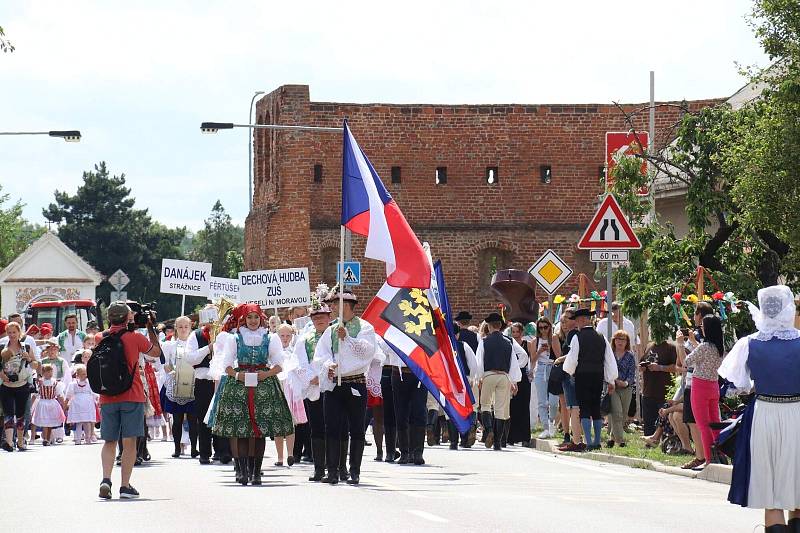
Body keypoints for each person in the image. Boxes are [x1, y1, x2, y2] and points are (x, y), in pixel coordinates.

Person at [719, 285, 800, 532]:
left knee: (772, 493)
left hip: (764, 414)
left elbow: (738, 384)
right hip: (797, 412)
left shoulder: (749, 343)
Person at [210, 303, 294, 486]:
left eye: (256, 317)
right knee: (241, 430)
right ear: (244, 319)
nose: (253, 321)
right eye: (249, 317)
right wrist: (238, 375)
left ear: (261, 318)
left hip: (263, 385)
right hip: (239, 385)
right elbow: (226, 365)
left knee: (259, 432)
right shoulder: (236, 338)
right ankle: (243, 471)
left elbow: (279, 364)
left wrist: (266, 374)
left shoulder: (270, 338)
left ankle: (256, 472)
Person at [313, 289, 380, 485]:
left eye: (336, 304)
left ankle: (354, 471)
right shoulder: (330, 330)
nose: (332, 308)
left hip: (355, 383)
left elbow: (367, 352)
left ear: (347, 306)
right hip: (335, 385)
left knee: (357, 428)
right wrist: (328, 366)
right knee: (332, 427)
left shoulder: (365, 327)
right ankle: (332, 470)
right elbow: (321, 353)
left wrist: (348, 338)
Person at [98, 301, 162, 500]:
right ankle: (125, 486)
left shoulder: (100, 337)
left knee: (109, 441)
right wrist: (150, 327)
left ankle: (106, 479)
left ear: (109, 318)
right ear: (128, 317)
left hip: (107, 395)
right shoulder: (135, 338)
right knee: (129, 442)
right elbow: (156, 353)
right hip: (132, 394)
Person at [563, 308, 618, 451]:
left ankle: (588, 441)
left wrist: (570, 372)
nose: (576, 323)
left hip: (582, 376)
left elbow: (572, 360)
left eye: (577, 320)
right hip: (598, 376)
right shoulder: (602, 337)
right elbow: (609, 360)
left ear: (582, 320)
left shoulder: (577, 337)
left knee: (584, 408)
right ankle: (597, 441)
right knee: (595, 407)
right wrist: (611, 379)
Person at [475, 312, 528, 450]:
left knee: (485, 405)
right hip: (504, 376)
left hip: (488, 375)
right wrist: (514, 380)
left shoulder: (484, 341)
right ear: (500, 326)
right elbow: (518, 359)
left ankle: (489, 430)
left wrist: (479, 377)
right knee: (501, 410)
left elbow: (479, 361)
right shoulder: (509, 341)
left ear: (489, 326)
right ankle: (498, 442)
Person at [682, 314, 724, 468]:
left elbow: (686, 362)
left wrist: (681, 345)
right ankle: (719, 455)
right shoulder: (719, 347)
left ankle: (708, 460)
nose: (701, 328)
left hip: (700, 386)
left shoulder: (704, 347)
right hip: (714, 386)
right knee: (715, 423)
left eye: (702, 326)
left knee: (703, 425)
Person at [296, 301, 332, 481]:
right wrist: (313, 377)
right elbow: (300, 362)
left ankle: (336, 467)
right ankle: (319, 468)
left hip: (333, 386)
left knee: (335, 427)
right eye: (315, 317)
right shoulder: (305, 339)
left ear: (329, 317)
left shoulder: (336, 335)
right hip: (313, 387)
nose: (319, 320)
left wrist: (324, 376)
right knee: (316, 427)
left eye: (322, 317)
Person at [160, 316, 198, 459]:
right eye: (180, 326)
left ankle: (194, 447)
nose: (183, 329)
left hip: (192, 384)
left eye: (186, 326)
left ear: (190, 328)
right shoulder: (170, 345)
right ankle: (177, 448)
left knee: (194, 419)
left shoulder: (194, 344)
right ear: (176, 327)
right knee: (177, 419)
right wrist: (171, 370)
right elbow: (165, 365)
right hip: (176, 384)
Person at [1, 321, 38, 451]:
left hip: (22, 385)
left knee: (21, 414)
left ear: (19, 333)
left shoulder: (26, 347)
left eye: (14, 332)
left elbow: (35, 365)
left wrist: (29, 358)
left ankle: (21, 441)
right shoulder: (2, 348)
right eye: (9, 332)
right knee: (8, 414)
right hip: (6, 385)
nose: (12, 335)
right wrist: (2, 375)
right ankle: (10, 442)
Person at [640, 335, 678, 438]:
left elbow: (676, 367)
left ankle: (664, 441)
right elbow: (642, 361)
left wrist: (660, 367)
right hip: (648, 390)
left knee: (663, 420)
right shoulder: (649, 346)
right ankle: (648, 441)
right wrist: (642, 367)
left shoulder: (671, 348)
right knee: (648, 422)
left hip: (664, 392)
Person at [531, 317, 562, 439]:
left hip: (552, 367)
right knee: (542, 401)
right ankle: (545, 427)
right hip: (540, 370)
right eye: (540, 328)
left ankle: (552, 422)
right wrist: (539, 351)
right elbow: (532, 360)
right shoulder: (535, 341)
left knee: (554, 402)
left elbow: (559, 356)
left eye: (545, 327)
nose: (543, 330)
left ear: (550, 327)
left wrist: (551, 348)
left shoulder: (554, 338)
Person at [274, 323, 300, 467]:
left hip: (290, 388)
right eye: (282, 335)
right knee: (277, 422)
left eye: (287, 335)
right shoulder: (273, 351)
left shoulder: (294, 351)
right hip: (277, 386)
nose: (284, 338)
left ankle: (290, 453)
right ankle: (280, 457)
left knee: (290, 421)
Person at [607, 330, 636, 448]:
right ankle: (620, 440)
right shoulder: (610, 355)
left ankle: (612, 437)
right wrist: (613, 381)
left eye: (623, 339)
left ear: (627, 342)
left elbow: (632, 373)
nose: (620, 342)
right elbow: (606, 370)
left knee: (623, 415)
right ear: (614, 341)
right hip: (612, 387)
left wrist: (625, 383)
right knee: (617, 413)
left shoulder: (630, 356)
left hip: (626, 388)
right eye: (618, 339)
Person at [507, 322, 533, 446]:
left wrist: (531, 372)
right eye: (514, 332)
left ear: (522, 332)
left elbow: (531, 359)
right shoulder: (509, 342)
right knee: (512, 407)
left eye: (518, 332)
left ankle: (524, 437)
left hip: (523, 376)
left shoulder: (527, 344)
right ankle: (511, 436)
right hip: (512, 375)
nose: (516, 334)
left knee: (523, 406)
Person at [31, 364, 66, 445]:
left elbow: (59, 394)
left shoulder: (55, 382)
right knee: (45, 422)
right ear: (43, 373)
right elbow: (35, 395)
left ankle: (48, 438)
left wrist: (64, 404)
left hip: (52, 403)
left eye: (51, 371)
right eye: (47, 371)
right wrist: (31, 405)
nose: (49, 373)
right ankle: (45, 439)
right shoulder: (40, 382)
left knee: (50, 422)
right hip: (43, 403)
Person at [66, 364, 97, 445]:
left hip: (87, 404)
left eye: (85, 373)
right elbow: (69, 394)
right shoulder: (73, 384)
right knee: (78, 422)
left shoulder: (89, 383)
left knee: (87, 422)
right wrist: (66, 403)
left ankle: (88, 438)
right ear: (77, 375)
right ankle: (78, 439)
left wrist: (96, 400)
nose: (85, 375)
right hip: (77, 404)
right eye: (82, 374)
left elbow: (94, 393)